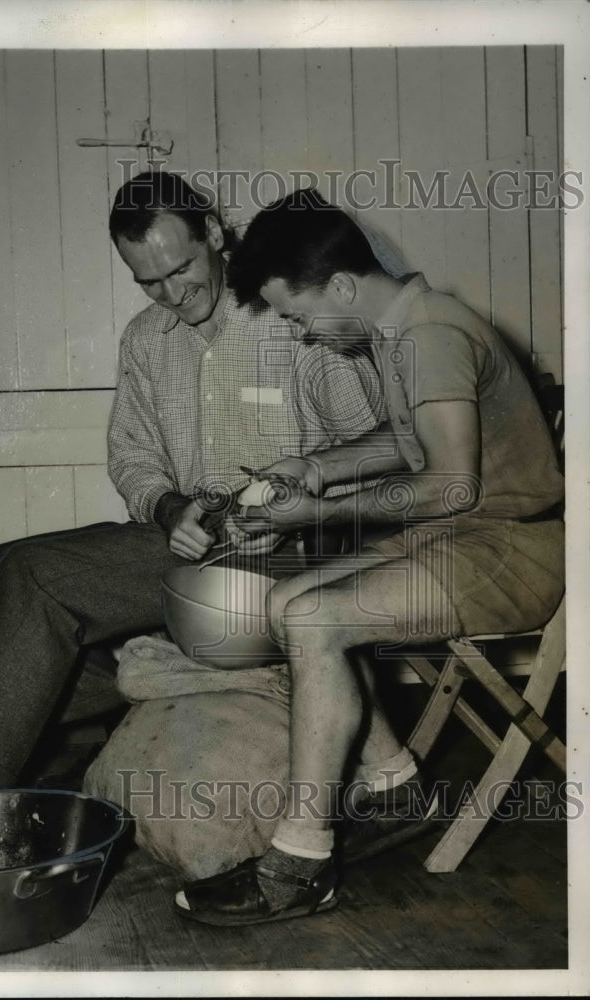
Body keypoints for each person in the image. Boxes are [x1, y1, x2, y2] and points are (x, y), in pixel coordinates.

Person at [174, 188, 564, 926]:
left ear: (345, 286)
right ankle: (392, 783)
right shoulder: (403, 329)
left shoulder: (431, 334)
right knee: (285, 606)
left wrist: (317, 511)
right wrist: (314, 467)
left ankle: (299, 863)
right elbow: (414, 441)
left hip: (517, 551)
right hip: (470, 536)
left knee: (316, 619)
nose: (305, 335)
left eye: (299, 316)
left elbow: (449, 483)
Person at [0, 172, 385, 792]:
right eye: (149, 280)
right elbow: (133, 457)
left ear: (215, 235)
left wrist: (300, 503)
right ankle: (59, 718)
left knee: (32, 579)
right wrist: (169, 507)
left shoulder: (291, 316)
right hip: (191, 549)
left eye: (181, 269)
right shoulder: (145, 339)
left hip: (288, 556)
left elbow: (377, 445)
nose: (170, 292)